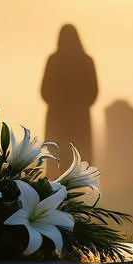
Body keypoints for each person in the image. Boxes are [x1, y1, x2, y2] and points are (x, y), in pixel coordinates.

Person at [41, 24, 99, 179]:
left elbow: (44, 91)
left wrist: (59, 103)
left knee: (57, 164)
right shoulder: (87, 61)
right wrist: (79, 106)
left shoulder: (53, 60)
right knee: (78, 162)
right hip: (79, 121)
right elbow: (93, 92)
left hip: (57, 120)